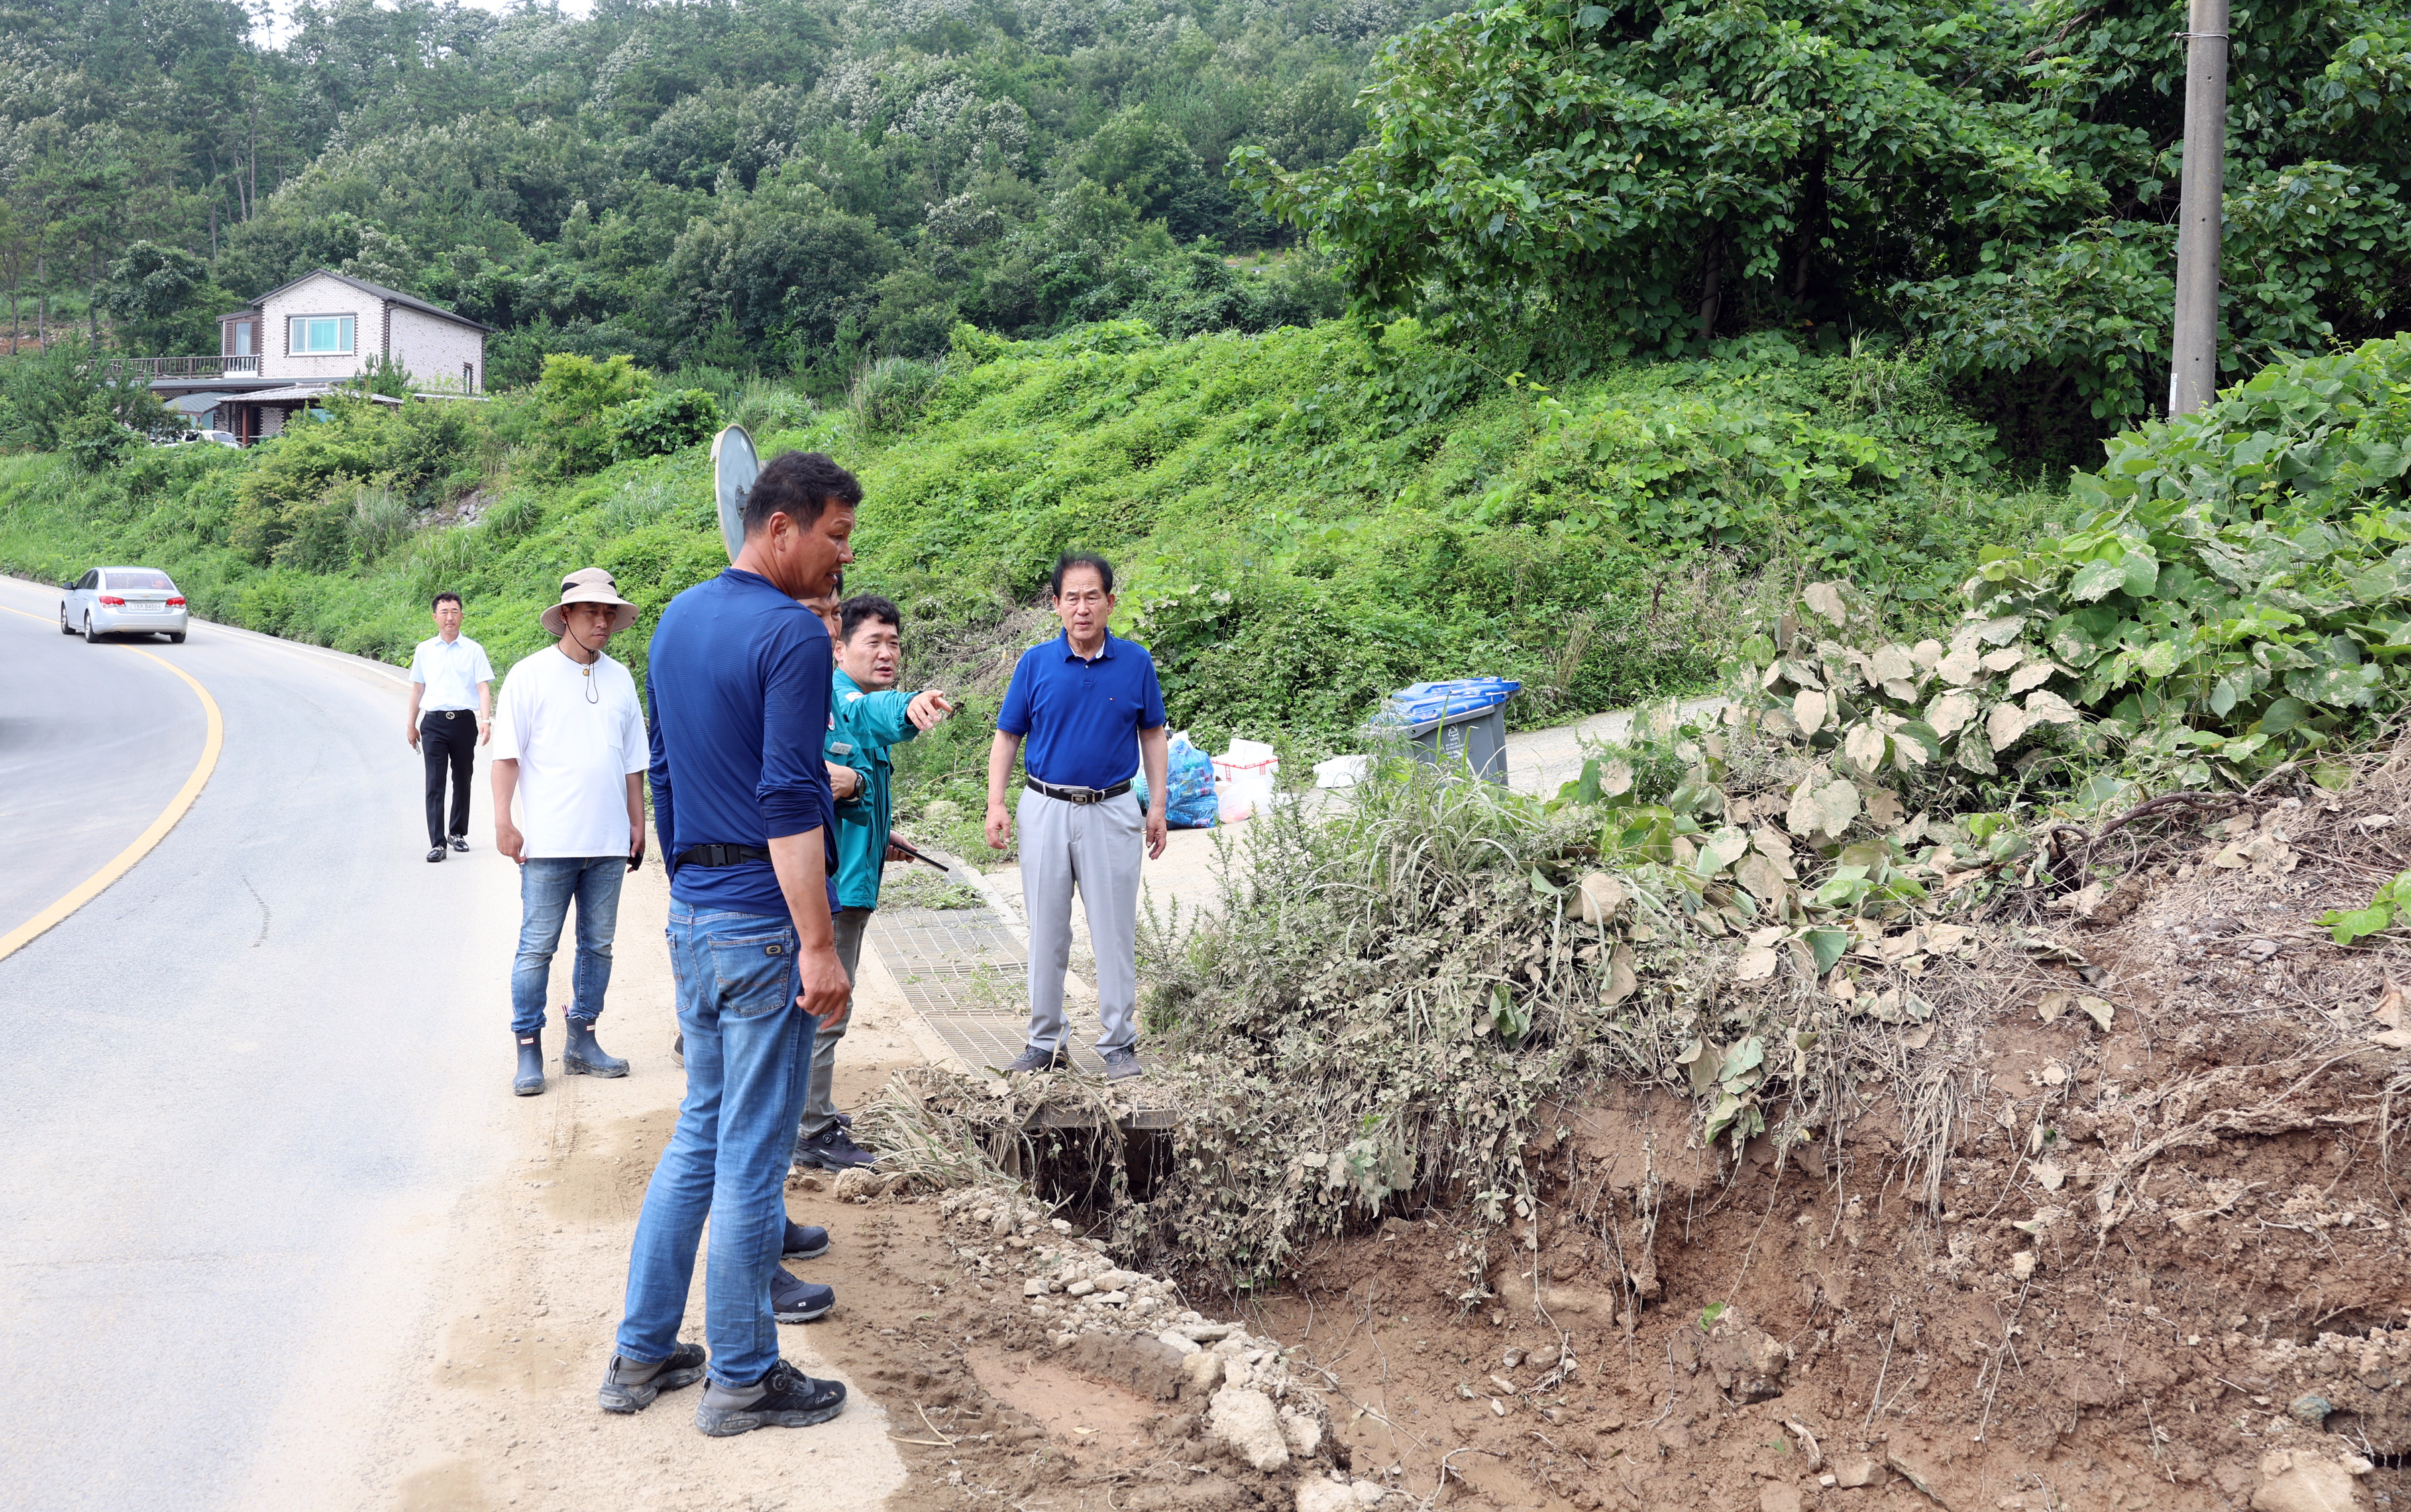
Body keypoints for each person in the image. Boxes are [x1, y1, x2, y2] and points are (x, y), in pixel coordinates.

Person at [599, 450, 857, 1437]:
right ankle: (744, 1375)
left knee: (701, 1133)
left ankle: (644, 1349)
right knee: (750, 1155)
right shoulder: (790, 637)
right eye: (833, 536)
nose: (842, 558)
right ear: (779, 526)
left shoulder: (677, 621)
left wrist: (693, 894)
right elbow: (790, 798)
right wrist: (817, 945)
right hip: (761, 925)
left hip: (696, 913)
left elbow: (666, 772)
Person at [983, 553, 1169, 1081]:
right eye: (1072, 597)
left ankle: (1119, 1044)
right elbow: (1008, 736)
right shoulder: (1035, 663)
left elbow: (1152, 734)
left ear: (1110, 603)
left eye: (1093, 597)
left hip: (1112, 809)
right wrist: (996, 803)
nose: (1082, 608)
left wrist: (1156, 805)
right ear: (1056, 605)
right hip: (1044, 807)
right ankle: (1045, 1042)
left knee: (1113, 929)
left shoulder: (1136, 662)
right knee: (1046, 930)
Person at [794, 593, 955, 1171]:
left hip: (855, 875)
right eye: (874, 642)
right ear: (839, 647)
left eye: (894, 643)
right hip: (831, 887)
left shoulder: (849, 699)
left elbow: (855, 783)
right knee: (826, 1007)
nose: (887, 653)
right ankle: (810, 1132)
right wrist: (910, 704)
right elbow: (868, 723)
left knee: (823, 1006)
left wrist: (881, 831)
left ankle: (809, 1115)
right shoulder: (836, 699)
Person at [491, 569, 649, 1098]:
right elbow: (506, 756)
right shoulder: (529, 676)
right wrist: (502, 820)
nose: (602, 622)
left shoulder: (621, 677)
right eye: (590, 613)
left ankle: (583, 1039)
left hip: (607, 843)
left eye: (608, 613)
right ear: (565, 616)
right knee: (537, 948)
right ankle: (528, 1046)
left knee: (598, 947)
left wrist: (637, 821)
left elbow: (633, 763)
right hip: (549, 844)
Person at [406, 591, 494, 863]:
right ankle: (437, 843)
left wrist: (485, 720)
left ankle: (457, 833)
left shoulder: (474, 650)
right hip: (432, 723)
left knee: (463, 778)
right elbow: (418, 688)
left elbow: (483, 688)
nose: (450, 617)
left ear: (462, 616)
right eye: (444, 612)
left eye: (455, 611)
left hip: (464, 722)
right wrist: (411, 724)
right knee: (434, 784)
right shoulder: (424, 650)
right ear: (435, 617)